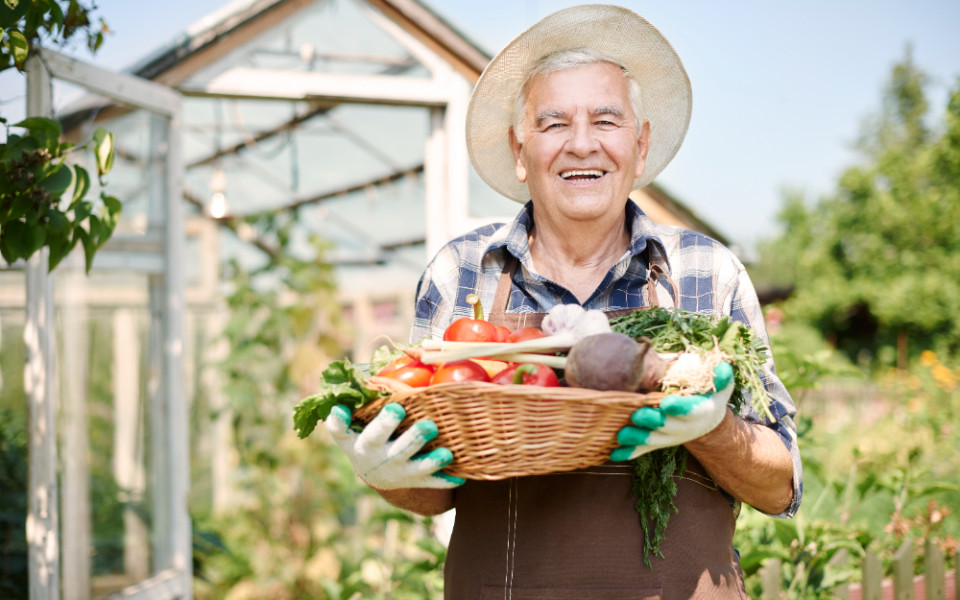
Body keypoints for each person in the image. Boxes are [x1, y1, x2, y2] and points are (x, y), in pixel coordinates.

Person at [325, 4, 802, 598]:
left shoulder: (707, 271)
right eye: (553, 125)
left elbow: (781, 485)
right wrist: (385, 474)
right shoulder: (461, 273)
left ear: (641, 144)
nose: (581, 145)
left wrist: (713, 428)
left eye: (606, 121)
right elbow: (434, 491)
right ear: (520, 152)